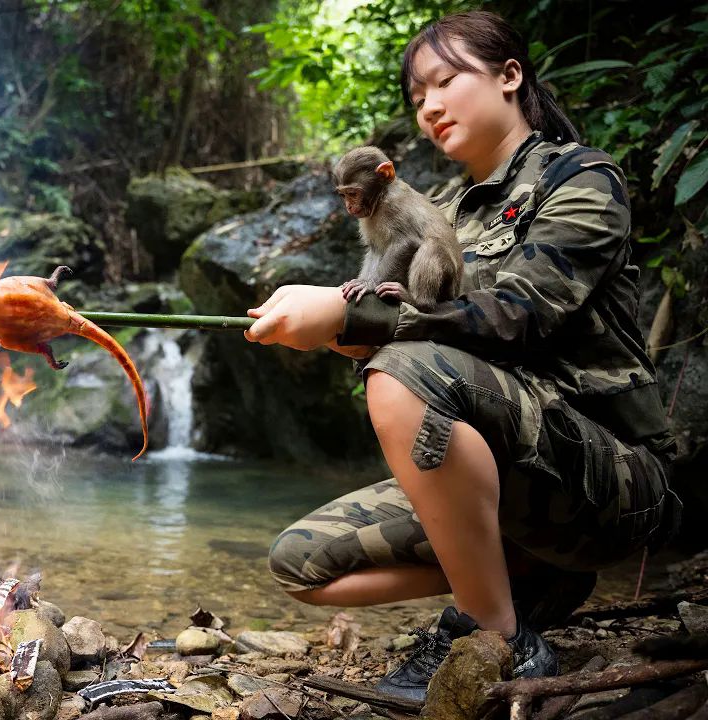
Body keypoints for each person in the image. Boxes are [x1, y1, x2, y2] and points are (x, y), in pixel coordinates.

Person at [244, 10, 681, 702]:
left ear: (510, 77)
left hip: (611, 478)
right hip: (507, 471)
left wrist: (356, 315)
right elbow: (419, 332)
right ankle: (532, 575)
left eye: (445, 82)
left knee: (398, 374)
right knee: (301, 564)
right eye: (417, 98)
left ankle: (489, 634)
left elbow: (518, 314)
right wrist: (335, 328)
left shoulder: (582, 180)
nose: (430, 107)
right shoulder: (436, 209)